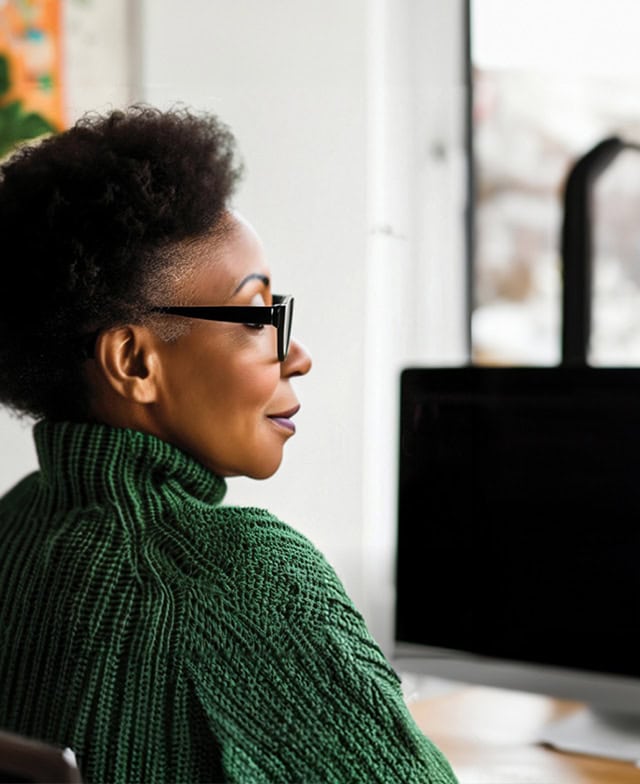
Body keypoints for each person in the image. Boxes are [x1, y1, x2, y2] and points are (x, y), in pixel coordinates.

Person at [0, 104, 457, 783]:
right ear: (133, 363)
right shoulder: (240, 580)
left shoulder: (19, 524)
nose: (295, 354)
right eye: (253, 316)